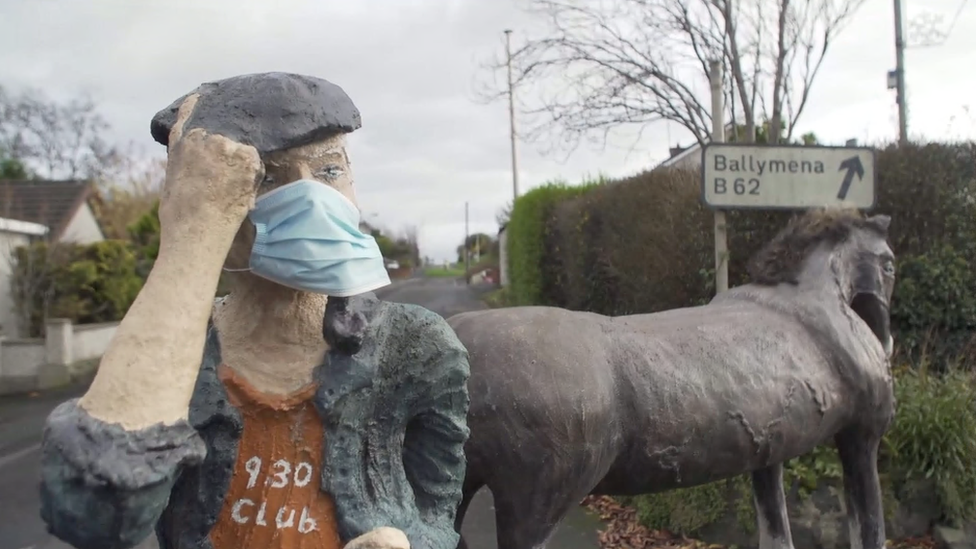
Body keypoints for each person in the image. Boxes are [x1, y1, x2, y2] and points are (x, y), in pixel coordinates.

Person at [38, 73, 470, 549]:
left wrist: (406, 543)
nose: (311, 198)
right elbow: (95, 521)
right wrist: (189, 245)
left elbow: (437, 510)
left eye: (329, 171)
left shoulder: (419, 347)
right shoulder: (171, 355)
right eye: (265, 178)